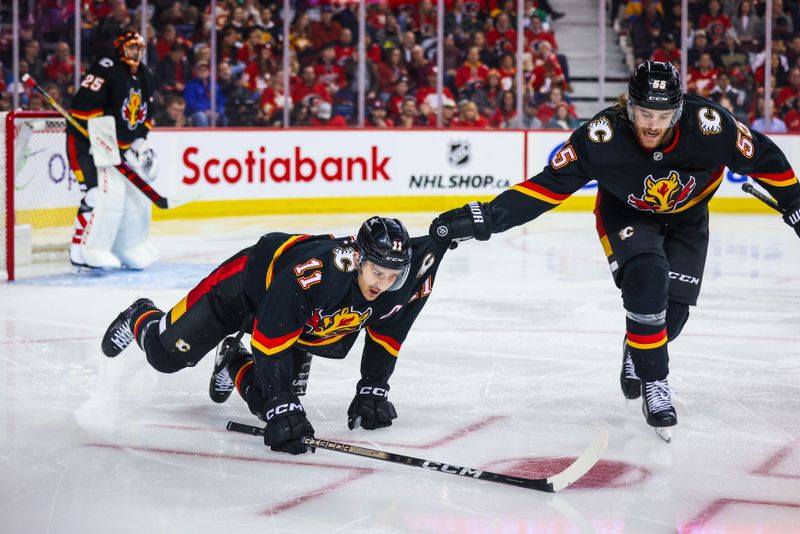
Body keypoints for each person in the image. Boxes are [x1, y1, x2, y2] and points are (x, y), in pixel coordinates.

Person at [429, 61, 800, 440]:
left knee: (671, 317)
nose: (653, 124)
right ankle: (656, 384)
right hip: (626, 212)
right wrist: (487, 217)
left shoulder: (709, 125)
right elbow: (547, 187)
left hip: (689, 219)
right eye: (644, 113)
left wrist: (795, 203)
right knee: (647, 279)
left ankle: (637, 345)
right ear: (629, 106)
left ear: (679, 109)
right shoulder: (602, 136)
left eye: (663, 115)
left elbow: (765, 159)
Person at [101, 217, 451, 455]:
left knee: (271, 405)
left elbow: (387, 333)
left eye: (392, 276)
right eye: (377, 272)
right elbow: (270, 342)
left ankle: (233, 361)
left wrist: (373, 386)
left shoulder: (397, 283)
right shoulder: (316, 275)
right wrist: (281, 400)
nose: (382, 284)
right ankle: (140, 316)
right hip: (242, 290)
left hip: (291, 320)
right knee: (165, 358)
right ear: (358, 258)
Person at [67, 30, 159, 271]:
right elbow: (82, 109)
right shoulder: (105, 69)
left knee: (129, 199)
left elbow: (147, 115)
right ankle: (80, 250)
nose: (136, 54)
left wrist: (138, 142)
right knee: (95, 195)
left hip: (116, 148)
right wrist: (105, 141)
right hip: (85, 143)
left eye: (139, 49)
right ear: (120, 49)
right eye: (131, 49)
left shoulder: (146, 75)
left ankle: (123, 247)